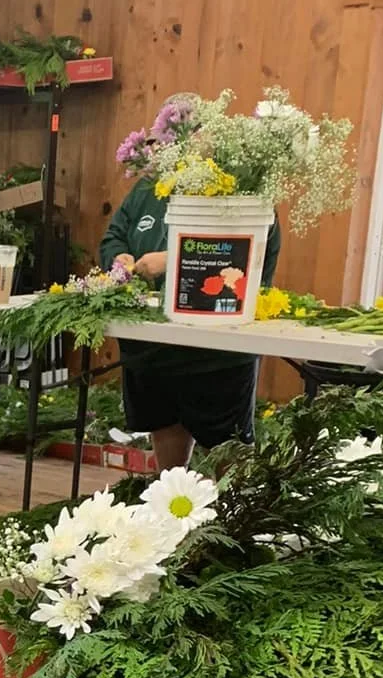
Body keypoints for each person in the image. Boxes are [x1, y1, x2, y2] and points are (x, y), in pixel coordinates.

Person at [100, 166, 281, 468]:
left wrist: (174, 260)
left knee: (228, 461)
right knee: (168, 458)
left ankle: (234, 513)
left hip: (216, 355)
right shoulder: (147, 188)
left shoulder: (242, 192)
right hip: (152, 348)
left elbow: (242, 256)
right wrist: (118, 258)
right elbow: (114, 235)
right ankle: (171, 502)